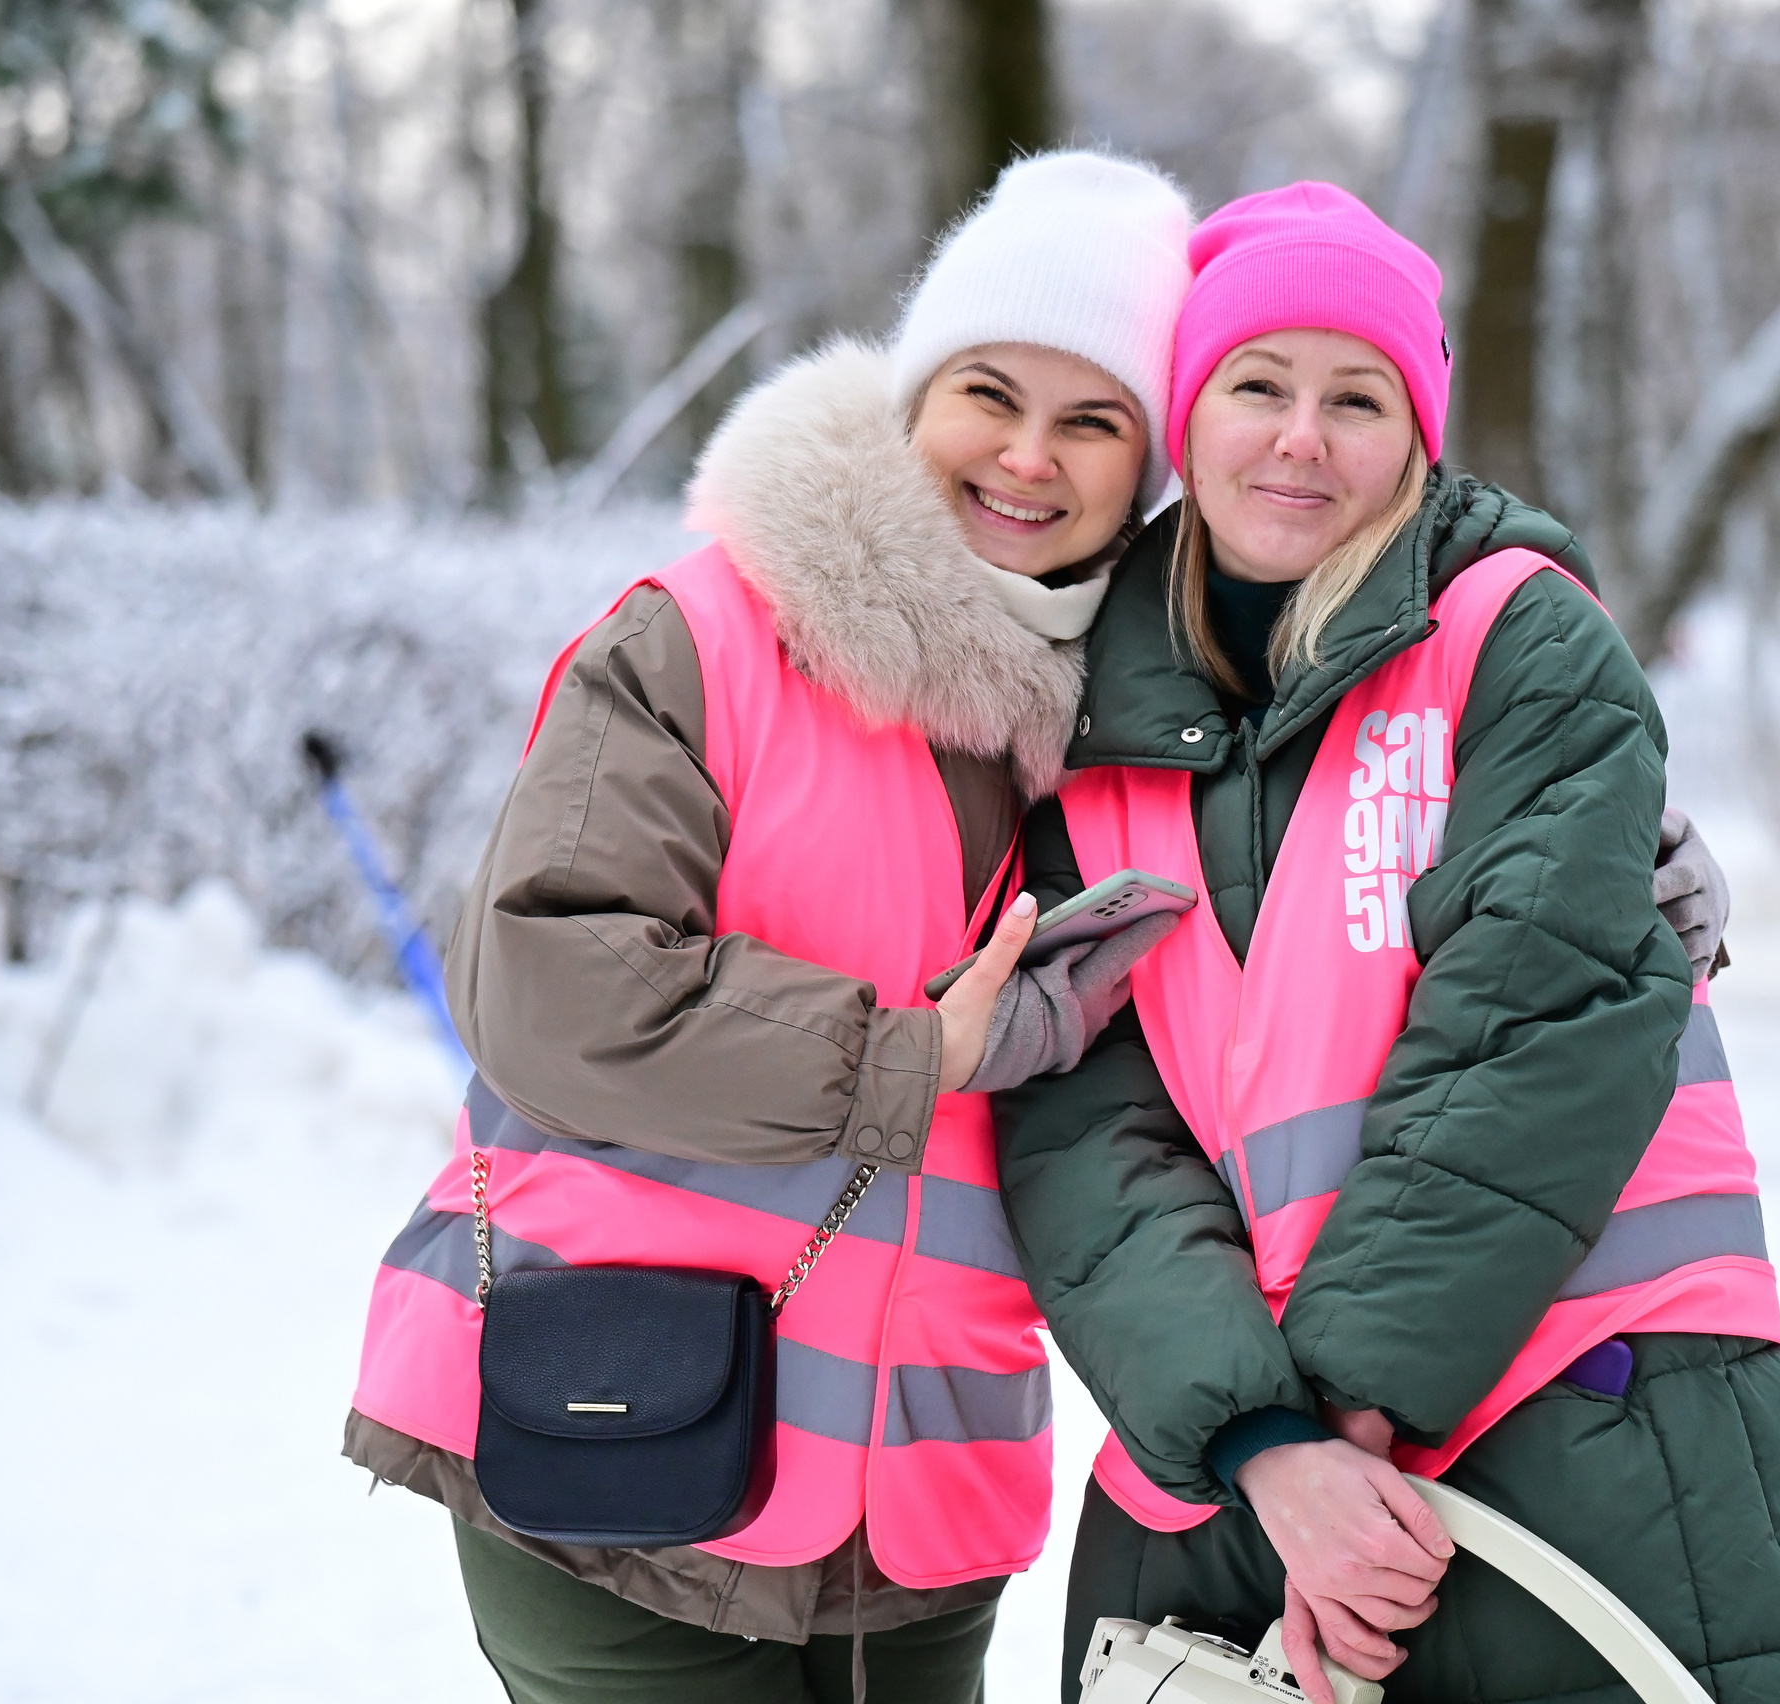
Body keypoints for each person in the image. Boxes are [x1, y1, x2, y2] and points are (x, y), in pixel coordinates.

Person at [993, 183, 1780, 1704]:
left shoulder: (1516, 635)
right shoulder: (1079, 715)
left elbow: (1530, 1029)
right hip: (1241, 1480)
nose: (1303, 437)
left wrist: (1342, 1438)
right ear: (1187, 414)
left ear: (1416, 432)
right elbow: (1082, 1120)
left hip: (1591, 1433)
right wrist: (1267, 1449)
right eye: (1258, 386)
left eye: (1359, 397)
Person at [340, 151, 1198, 1704]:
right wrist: (894, 1057)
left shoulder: (1147, 732)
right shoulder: (714, 637)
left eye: (1095, 421)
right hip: (621, 1443)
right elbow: (546, 983)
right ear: (913, 393)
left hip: (915, 1501)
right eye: (988, 393)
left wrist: (1593, 828)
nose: (1026, 455)